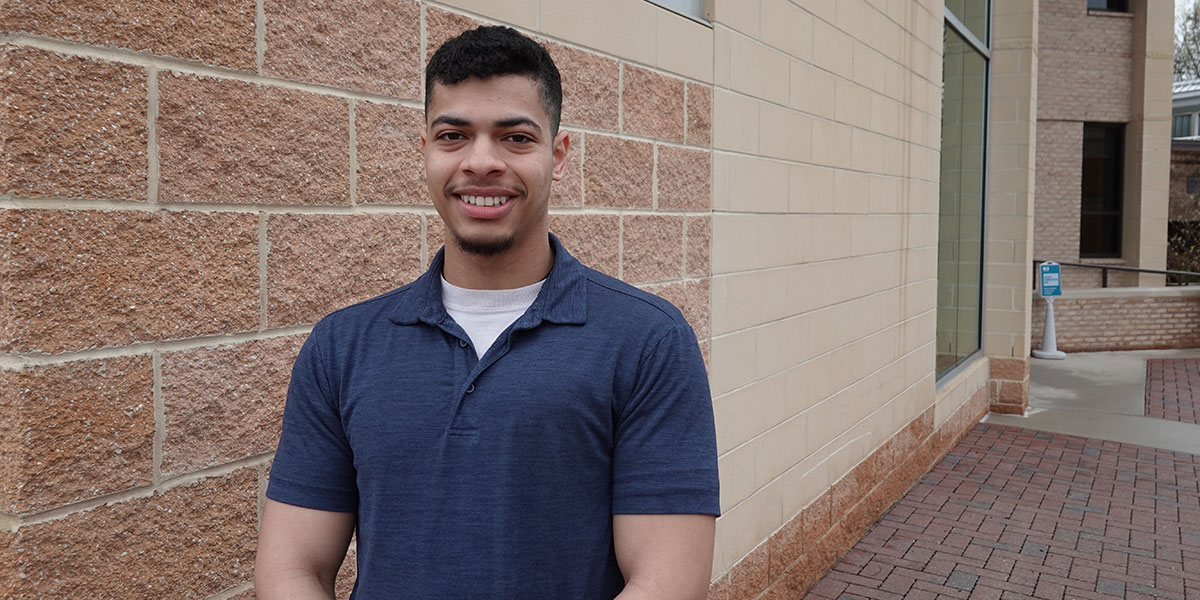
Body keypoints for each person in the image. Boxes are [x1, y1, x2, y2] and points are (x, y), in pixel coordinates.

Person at [255, 25, 719, 600]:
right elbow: (291, 570)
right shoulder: (341, 346)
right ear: (424, 148)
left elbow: (668, 582)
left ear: (559, 153)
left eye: (515, 138)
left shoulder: (647, 340)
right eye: (454, 135)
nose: (481, 162)